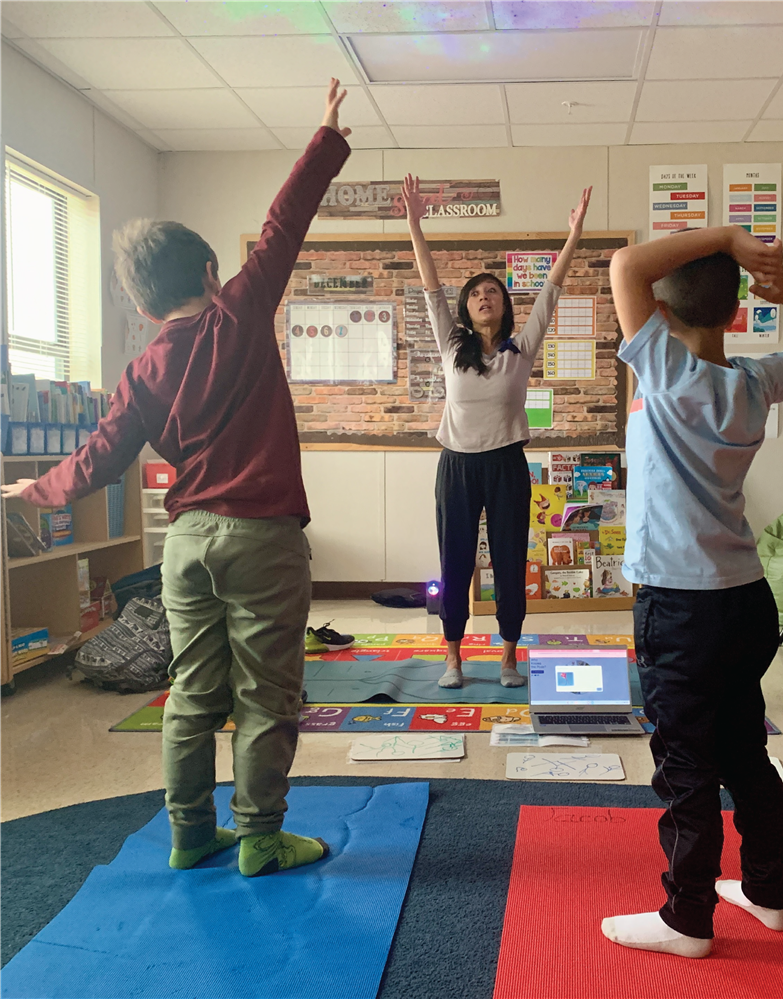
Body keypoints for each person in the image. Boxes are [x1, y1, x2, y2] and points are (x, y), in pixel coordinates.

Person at [1, 80, 354, 878]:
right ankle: (259, 837)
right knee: (268, 697)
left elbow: (98, 458)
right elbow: (284, 220)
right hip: (262, 537)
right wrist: (325, 134)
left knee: (194, 691)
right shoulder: (238, 312)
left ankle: (190, 833)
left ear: (139, 300)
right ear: (206, 270)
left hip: (189, 542)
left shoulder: (139, 372)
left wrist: (36, 490)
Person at [600, 227, 783, 958]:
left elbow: (623, 264)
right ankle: (766, 891)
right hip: (743, 600)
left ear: (660, 317)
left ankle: (686, 918)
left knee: (685, 762)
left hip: (679, 606)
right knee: (742, 749)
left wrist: (730, 238)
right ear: (735, 317)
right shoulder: (752, 382)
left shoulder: (664, 369)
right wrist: (781, 287)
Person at [402, 173, 591, 689]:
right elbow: (429, 285)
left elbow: (551, 290)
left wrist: (573, 234)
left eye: (493, 292)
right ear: (465, 308)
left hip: (507, 464)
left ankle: (509, 657)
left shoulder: (519, 350)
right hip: (457, 466)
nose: (485, 297)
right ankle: (453, 659)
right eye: (477, 294)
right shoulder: (449, 344)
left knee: (510, 561)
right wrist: (416, 226)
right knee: (456, 561)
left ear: (506, 307)